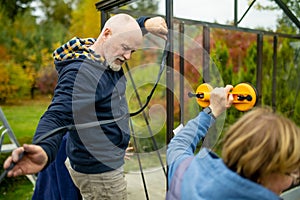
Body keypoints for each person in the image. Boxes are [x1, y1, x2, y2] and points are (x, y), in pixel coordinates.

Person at [3, 13, 168, 200]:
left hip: (98, 161)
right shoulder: (83, 74)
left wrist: (145, 24)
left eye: (133, 51)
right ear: (106, 34)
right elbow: (57, 115)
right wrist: (43, 148)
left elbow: (122, 29)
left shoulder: (102, 52)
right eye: (125, 48)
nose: (128, 56)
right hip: (101, 175)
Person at [166, 85, 300, 199]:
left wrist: (212, 110)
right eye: (291, 173)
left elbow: (179, 144)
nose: (294, 180)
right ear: (265, 172)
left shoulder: (186, 173)